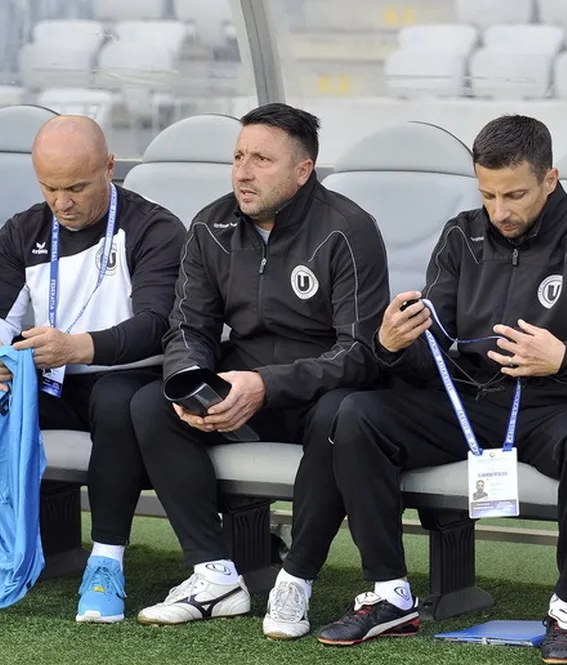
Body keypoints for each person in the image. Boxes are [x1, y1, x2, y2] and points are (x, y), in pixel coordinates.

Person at [311, 115, 567, 665]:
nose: (499, 211)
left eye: (515, 195)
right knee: (358, 415)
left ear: (550, 179)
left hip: (553, 407)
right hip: (466, 403)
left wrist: (563, 357)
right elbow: (434, 350)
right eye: (488, 195)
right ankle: (391, 596)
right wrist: (393, 344)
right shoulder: (461, 234)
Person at [0, 116, 185, 622]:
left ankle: (106, 562)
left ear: (109, 167)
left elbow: (157, 324)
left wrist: (79, 347)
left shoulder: (155, 228)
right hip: (51, 379)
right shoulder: (24, 229)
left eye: (76, 188)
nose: (62, 202)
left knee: (118, 400)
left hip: (127, 374)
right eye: (49, 187)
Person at [128, 103, 389, 628]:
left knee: (342, 416)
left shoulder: (348, 229)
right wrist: (192, 384)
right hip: (241, 387)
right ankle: (214, 575)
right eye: (238, 157)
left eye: (262, 160)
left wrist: (264, 386)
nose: (243, 173)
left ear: (302, 170)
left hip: (318, 392)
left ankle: (296, 579)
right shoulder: (211, 225)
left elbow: (361, 351)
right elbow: (188, 328)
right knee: (152, 404)